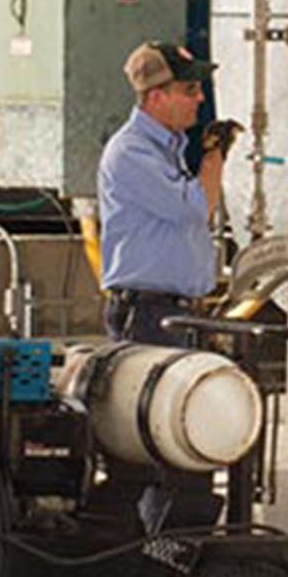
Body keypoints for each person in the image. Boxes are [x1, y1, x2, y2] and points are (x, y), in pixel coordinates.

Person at [96, 39, 239, 533]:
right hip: (150, 316)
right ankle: (153, 563)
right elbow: (192, 207)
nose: (200, 99)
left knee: (185, 449)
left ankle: (174, 559)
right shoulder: (132, 152)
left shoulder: (169, 149)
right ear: (155, 97)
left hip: (175, 314)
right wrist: (216, 156)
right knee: (164, 449)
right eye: (189, 89)